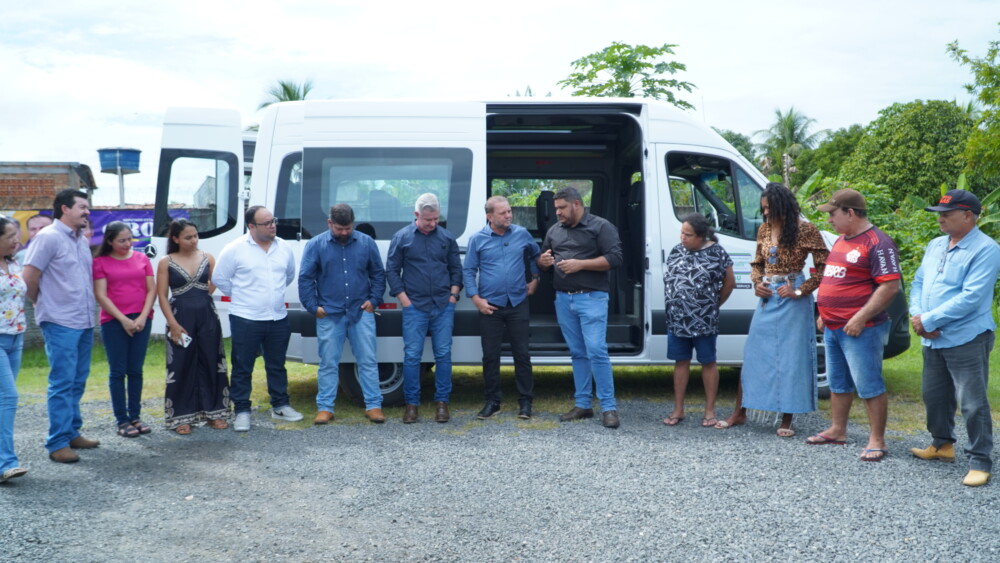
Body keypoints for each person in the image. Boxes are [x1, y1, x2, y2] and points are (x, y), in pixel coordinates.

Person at [716, 183, 828, 437]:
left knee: (791, 358)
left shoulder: (806, 229)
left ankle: (787, 418)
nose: (765, 213)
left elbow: (824, 267)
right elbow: (757, 263)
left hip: (794, 297)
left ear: (783, 207)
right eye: (763, 208)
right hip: (768, 297)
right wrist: (758, 283)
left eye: (769, 208)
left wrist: (800, 291)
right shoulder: (764, 229)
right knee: (753, 355)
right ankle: (740, 412)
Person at [908, 190, 1000, 487]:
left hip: (966, 337)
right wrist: (918, 316)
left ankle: (980, 460)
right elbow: (918, 282)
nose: (941, 218)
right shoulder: (936, 244)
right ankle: (942, 444)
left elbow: (972, 297)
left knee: (972, 402)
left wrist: (929, 320)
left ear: (968, 216)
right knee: (934, 395)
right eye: (939, 213)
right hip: (932, 336)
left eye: (947, 214)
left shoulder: (987, 249)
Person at [809, 189, 901, 462]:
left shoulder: (878, 243)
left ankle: (877, 440)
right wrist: (825, 313)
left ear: (850, 213)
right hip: (834, 327)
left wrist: (860, 317)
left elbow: (890, 286)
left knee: (869, 384)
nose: (829, 220)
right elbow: (837, 278)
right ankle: (838, 430)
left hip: (862, 328)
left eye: (832, 214)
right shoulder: (841, 240)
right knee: (838, 382)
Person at [22, 189, 100, 463]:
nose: (87, 212)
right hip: (59, 321)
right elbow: (29, 277)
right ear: (65, 209)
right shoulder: (48, 237)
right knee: (62, 382)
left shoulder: (81, 240)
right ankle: (57, 443)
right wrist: (41, 303)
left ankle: (71, 432)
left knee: (77, 380)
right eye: (82, 207)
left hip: (84, 320)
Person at [538, 187, 624, 429]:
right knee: (577, 352)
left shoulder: (601, 226)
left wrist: (581, 265)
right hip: (563, 300)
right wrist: (542, 262)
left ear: (576, 204)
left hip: (592, 298)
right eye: (556, 208)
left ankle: (608, 408)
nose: (557, 213)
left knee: (596, 351)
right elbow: (543, 261)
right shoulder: (554, 230)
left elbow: (616, 258)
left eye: (561, 208)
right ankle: (583, 405)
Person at [213, 206, 302, 431]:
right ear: (251, 226)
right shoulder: (234, 249)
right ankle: (242, 410)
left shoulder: (284, 247)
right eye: (266, 223)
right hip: (246, 318)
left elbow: (288, 276)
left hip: (277, 317)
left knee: (277, 365)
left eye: (273, 221)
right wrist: (242, 295)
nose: (273, 226)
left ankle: (280, 405)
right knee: (243, 366)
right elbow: (219, 278)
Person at [299, 204, 386, 425]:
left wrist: (374, 300)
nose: (345, 232)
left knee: (368, 360)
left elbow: (378, 274)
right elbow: (306, 278)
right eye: (339, 229)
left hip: (361, 311)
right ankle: (325, 408)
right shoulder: (315, 245)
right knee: (328, 363)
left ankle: (374, 406)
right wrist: (313, 307)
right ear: (330, 223)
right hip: (329, 313)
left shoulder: (367, 243)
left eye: (348, 228)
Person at [386, 193, 462, 424]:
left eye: (436, 219)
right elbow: (392, 270)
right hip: (414, 307)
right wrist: (404, 300)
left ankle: (442, 403)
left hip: (443, 305)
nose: (432, 223)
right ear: (416, 215)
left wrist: (453, 296)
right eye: (428, 219)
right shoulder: (402, 237)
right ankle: (412, 405)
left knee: (443, 355)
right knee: (411, 356)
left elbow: (456, 269)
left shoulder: (446, 238)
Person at [463, 196, 541, 420]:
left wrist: (535, 278)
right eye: (503, 213)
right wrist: (476, 299)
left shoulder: (521, 234)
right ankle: (492, 402)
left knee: (522, 354)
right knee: (490, 356)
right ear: (490, 216)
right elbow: (468, 270)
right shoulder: (477, 239)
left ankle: (525, 402)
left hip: (517, 303)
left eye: (509, 211)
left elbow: (536, 255)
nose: (509, 215)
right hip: (490, 306)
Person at [156, 219, 231, 434]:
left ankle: (215, 412)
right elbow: (162, 295)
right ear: (175, 239)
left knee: (212, 361)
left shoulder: (207, 257)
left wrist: (202, 295)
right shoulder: (166, 261)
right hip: (180, 318)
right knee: (180, 365)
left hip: (207, 317)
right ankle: (181, 417)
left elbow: (216, 281)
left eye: (196, 236)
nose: (194, 240)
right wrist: (173, 324)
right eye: (188, 237)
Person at [663, 213, 736, 428]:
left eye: (688, 234)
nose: (682, 237)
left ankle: (709, 411)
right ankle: (678, 409)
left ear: (702, 236)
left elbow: (729, 283)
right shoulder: (677, 250)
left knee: (708, 362)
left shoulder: (717, 253)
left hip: (704, 320)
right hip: (677, 319)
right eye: (681, 233)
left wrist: (712, 305)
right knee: (680, 362)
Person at [93, 222, 156, 438]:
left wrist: (142, 317)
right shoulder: (100, 262)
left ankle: (135, 416)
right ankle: (122, 419)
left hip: (141, 320)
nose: (128, 244)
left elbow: (151, 290)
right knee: (118, 371)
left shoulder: (142, 258)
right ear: (110, 241)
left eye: (130, 239)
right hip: (114, 322)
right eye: (122, 240)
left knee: (136, 370)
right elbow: (101, 295)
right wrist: (123, 320)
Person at [0, 216, 28, 482]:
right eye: (9, 236)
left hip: (16, 339)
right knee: (9, 397)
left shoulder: (14, 263)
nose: (16, 241)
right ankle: (5, 463)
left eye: (16, 235)